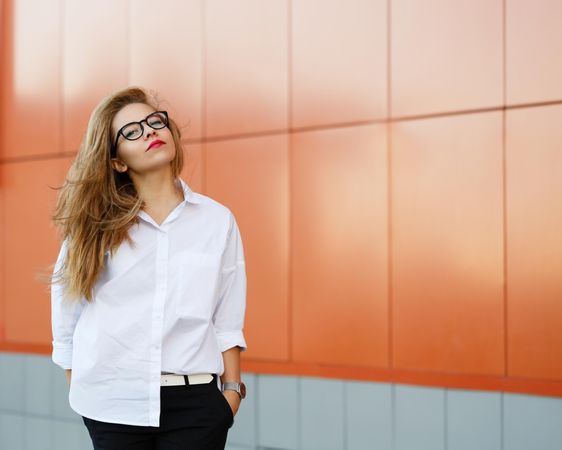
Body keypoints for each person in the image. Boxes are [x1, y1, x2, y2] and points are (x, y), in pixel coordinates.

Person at [49, 86, 248, 450]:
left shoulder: (217, 221)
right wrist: (87, 396)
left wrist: (231, 396)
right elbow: (67, 322)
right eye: (132, 131)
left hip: (197, 407)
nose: (150, 132)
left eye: (154, 122)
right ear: (117, 161)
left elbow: (226, 319)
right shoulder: (92, 228)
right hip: (113, 406)